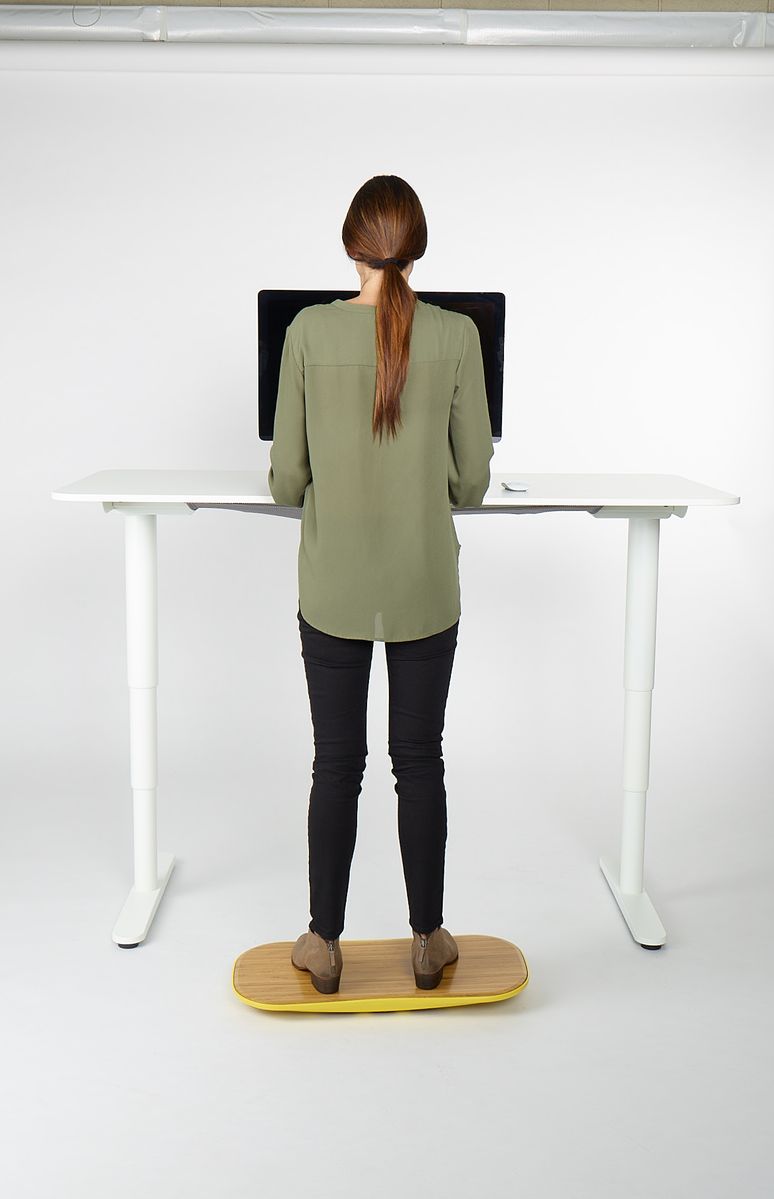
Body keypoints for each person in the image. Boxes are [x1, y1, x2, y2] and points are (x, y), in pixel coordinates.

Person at [268, 175, 494, 996]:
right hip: (425, 584)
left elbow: (287, 476)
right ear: (418, 245)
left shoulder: (304, 331)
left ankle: (323, 943)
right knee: (420, 760)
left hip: (333, 586)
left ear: (349, 244)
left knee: (337, 762)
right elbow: (471, 484)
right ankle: (428, 939)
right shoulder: (459, 335)